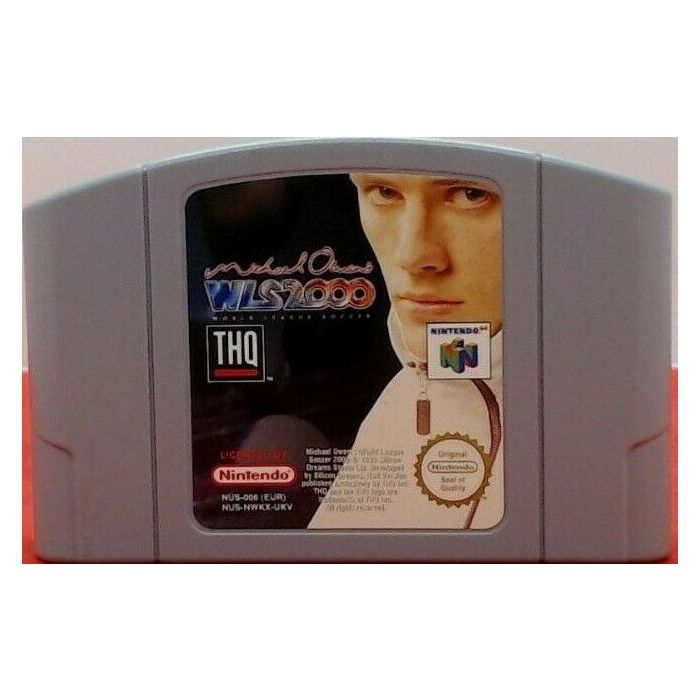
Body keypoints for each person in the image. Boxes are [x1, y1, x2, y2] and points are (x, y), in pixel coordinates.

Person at [309, 172, 504, 530]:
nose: (413, 255)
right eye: (385, 192)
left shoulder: (592, 432)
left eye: (471, 194)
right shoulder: (402, 398)